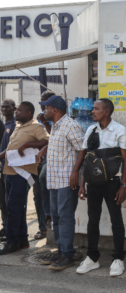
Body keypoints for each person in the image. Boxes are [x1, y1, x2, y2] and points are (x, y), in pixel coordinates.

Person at [77, 98, 126, 277]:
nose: (93, 111)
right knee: (93, 220)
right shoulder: (91, 130)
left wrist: (123, 185)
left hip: (113, 183)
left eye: (96, 109)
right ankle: (92, 258)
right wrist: (82, 182)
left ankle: (118, 259)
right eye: (93, 109)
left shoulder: (119, 130)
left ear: (106, 112)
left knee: (116, 220)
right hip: (93, 183)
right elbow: (87, 159)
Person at [36, 95, 85, 270]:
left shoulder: (71, 125)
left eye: (46, 108)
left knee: (65, 218)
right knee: (56, 218)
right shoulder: (56, 126)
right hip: (54, 180)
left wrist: (75, 172)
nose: (44, 111)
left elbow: (82, 150)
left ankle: (68, 254)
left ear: (55, 110)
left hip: (66, 180)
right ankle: (61, 250)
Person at [0, 102, 49, 255]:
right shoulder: (18, 125)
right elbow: (10, 148)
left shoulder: (36, 126)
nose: (16, 112)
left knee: (13, 207)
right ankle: (22, 240)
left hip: (25, 174)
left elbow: (47, 141)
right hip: (10, 171)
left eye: (19, 110)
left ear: (28, 113)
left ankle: (12, 242)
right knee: (17, 207)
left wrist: (27, 145)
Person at [36, 91, 55, 232]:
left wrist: (44, 122)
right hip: (38, 158)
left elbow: (53, 137)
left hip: (52, 157)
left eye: (45, 103)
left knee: (44, 178)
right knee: (37, 194)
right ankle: (42, 226)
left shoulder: (55, 117)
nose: (43, 108)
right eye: (41, 103)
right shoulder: (39, 118)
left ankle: (49, 214)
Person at [0, 99, 15, 240]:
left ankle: (10, 231)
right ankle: (5, 227)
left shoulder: (15, 125)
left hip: (10, 169)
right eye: (2, 107)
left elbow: (12, 146)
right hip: (2, 168)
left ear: (14, 108)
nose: (4, 109)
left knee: (9, 200)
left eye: (7, 106)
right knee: (2, 201)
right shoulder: (2, 124)